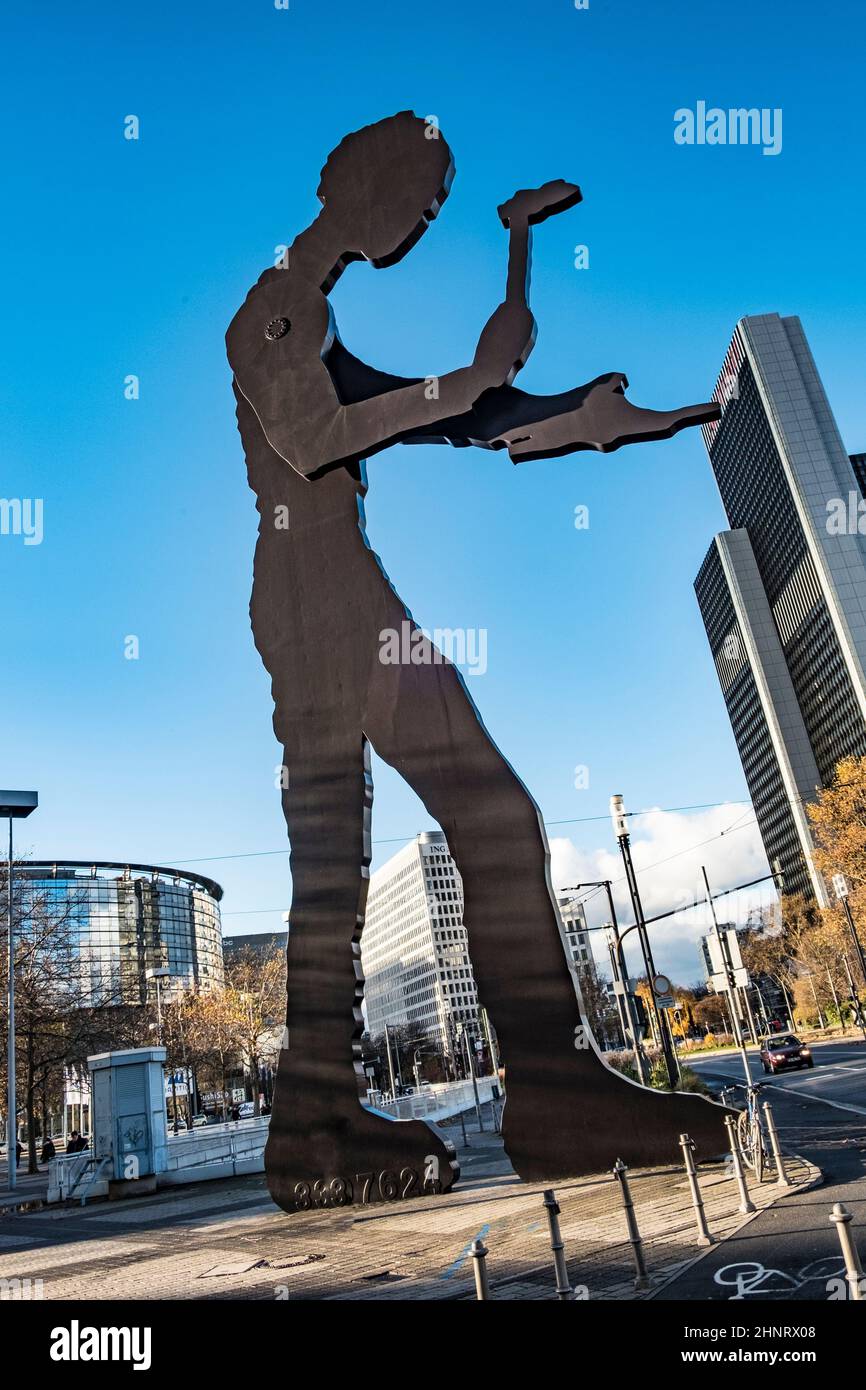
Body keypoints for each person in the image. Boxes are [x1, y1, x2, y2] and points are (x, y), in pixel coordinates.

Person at [227, 111, 729, 1212]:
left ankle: (329, 1121)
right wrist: (463, 385)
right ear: (351, 183)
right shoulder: (272, 309)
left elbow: (458, 417)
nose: (420, 217)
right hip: (317, 600)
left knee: (352, 864)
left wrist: (585, 416)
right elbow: (316, 437)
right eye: (414, 192)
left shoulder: (319, 323)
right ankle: (524, 1098)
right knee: (453, 825)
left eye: (436, 203)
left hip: (326, 595)